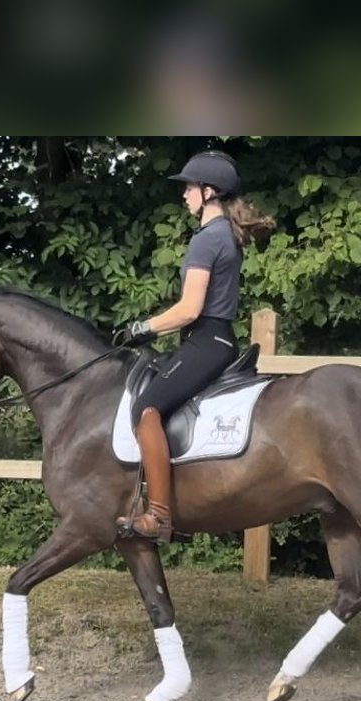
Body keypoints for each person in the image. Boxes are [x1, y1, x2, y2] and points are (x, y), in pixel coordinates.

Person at [113, 149, 275, 542]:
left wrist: (143, 326)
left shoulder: (207, 239)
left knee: (146, 408)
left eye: (188, 187)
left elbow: (189, 309)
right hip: (216, 340)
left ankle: (160, 516)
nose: (184, 195)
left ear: (208, 191)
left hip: (206, 340)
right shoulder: (225, 235)